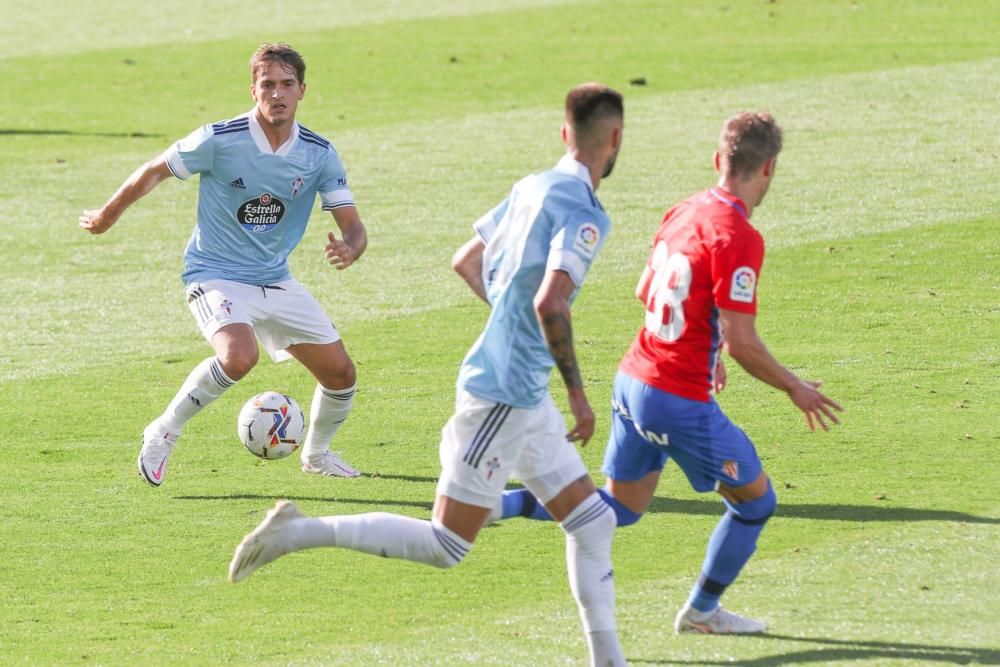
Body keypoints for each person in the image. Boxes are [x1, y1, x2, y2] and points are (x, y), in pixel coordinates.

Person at [229, 83, 627, 666]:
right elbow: (551, 303)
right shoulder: (585, 213)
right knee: (447, 544)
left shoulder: (533, 185)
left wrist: (510, 326)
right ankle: (299, 531)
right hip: (505, 395)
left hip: (519, 389)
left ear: (565, 134)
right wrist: (577, 393)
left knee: (591, 523)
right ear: (614, 139)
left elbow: (467, 260)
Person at [492, 111, 843, 634]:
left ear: (717, 160)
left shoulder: (685, 210)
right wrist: (793, 386)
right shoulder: (740, 236)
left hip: (632, 380)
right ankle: (702, 612)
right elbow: (744, 341)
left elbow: (646, 291)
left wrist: (711, 347)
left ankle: (490, 503)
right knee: (755, 502)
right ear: (768, 167)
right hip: (677, 399)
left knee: (623, 507)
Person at [79, 43, 368, 483]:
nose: (277, 94)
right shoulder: (219, 138)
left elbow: (353, 224)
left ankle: (318, 454)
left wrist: (351, 246)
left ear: (302, 91)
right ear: (253, 89)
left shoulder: (318, 153)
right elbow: (156, 168)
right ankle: (163, 431)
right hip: (215, 274)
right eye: (267, 84)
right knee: (238, 356)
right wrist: (107, 214)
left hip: (275, 278)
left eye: (286, 84)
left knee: (341, 374)